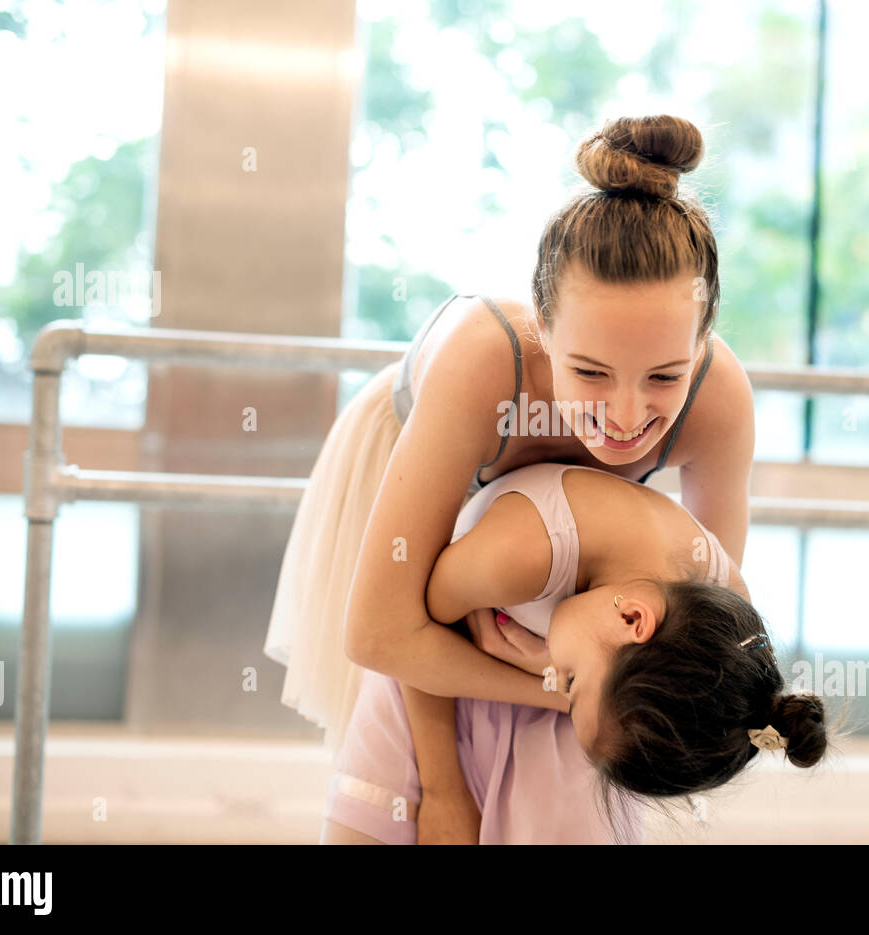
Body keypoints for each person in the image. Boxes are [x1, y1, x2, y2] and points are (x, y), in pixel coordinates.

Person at [263, 114, 757, 841]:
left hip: (550, 557)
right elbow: (387, 631)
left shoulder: (719, 405)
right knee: (418, 797)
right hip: (418, 456)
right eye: (588, 371)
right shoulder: (485, 363)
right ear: (544, 329)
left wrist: (585, 691)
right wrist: (454, 779)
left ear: (703, 338)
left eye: (664, 375)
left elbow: (684, 630)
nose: (623, 417)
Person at [320, 462, 833, 844]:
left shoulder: (725, 615)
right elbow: (415, 630)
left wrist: (549, 676)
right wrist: (446, 787)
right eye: (569, 682)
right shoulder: (521, 553)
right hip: (437, 686)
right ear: (632, 618)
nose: (556, 682)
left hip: (567, 733)